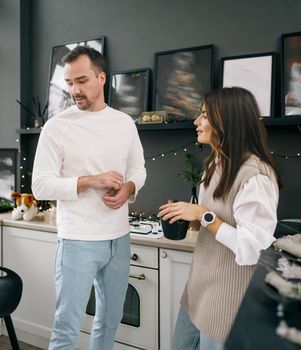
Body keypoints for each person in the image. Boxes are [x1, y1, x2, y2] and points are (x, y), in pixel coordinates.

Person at [31, 45, 146, 350]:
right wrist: (92, 181)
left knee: (110, 321)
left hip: (119, 240)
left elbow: (138, 167)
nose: (74, 90)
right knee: (67, 327)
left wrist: (129, 188)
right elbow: (40, 186)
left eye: (81, 81)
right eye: (69, 83)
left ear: (101, 77)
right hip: (78, 241)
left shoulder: (124, 123)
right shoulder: (56, 127)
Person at [159, 87, 282, 350]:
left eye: (204, 114)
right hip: (197, 289)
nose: (196, 121)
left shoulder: (256, 176)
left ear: (226, 120)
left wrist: (203, 215)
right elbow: (214, 222)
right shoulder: (214, 165)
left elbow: (251, 249)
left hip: (228, 300)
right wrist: (188, 217)